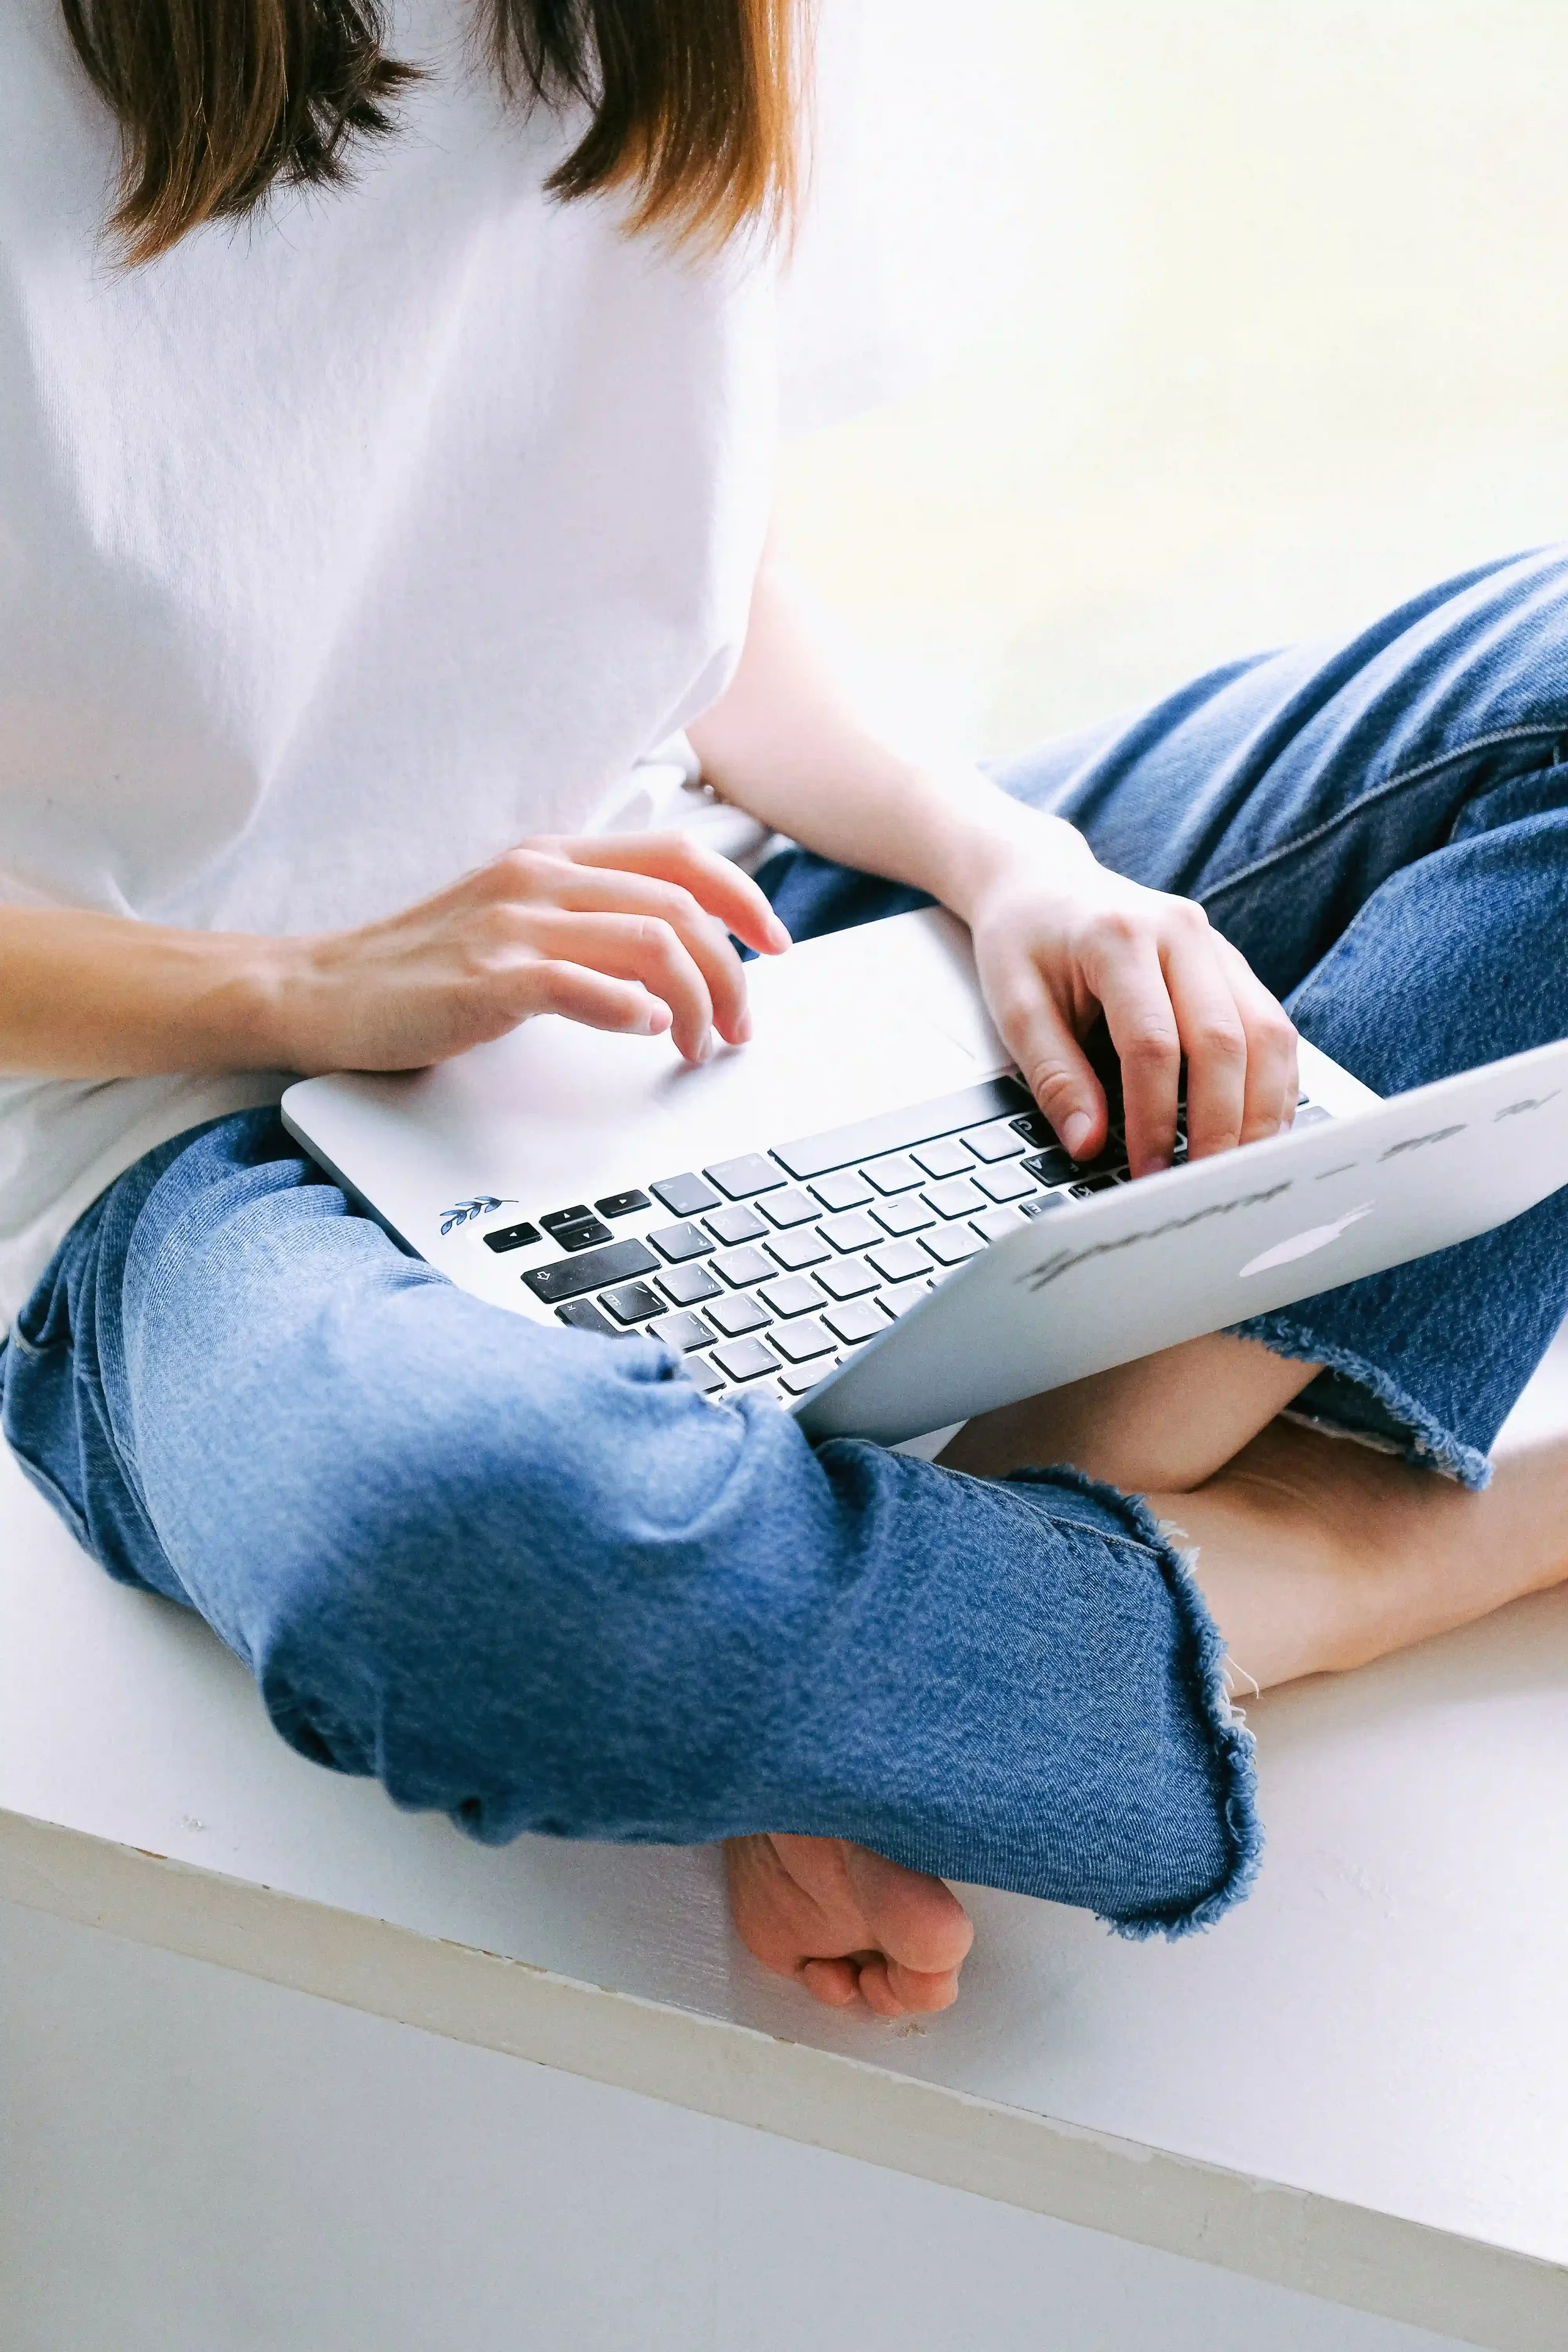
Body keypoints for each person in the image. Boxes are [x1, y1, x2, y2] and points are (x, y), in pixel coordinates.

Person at [3, 0, 1566, 2021]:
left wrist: (1004, 861)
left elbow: (664, 534)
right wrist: (298, 980)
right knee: (477, 1575)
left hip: (722, 928)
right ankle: (1355, 1554)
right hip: (180, 1136)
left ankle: (1002, 1567)